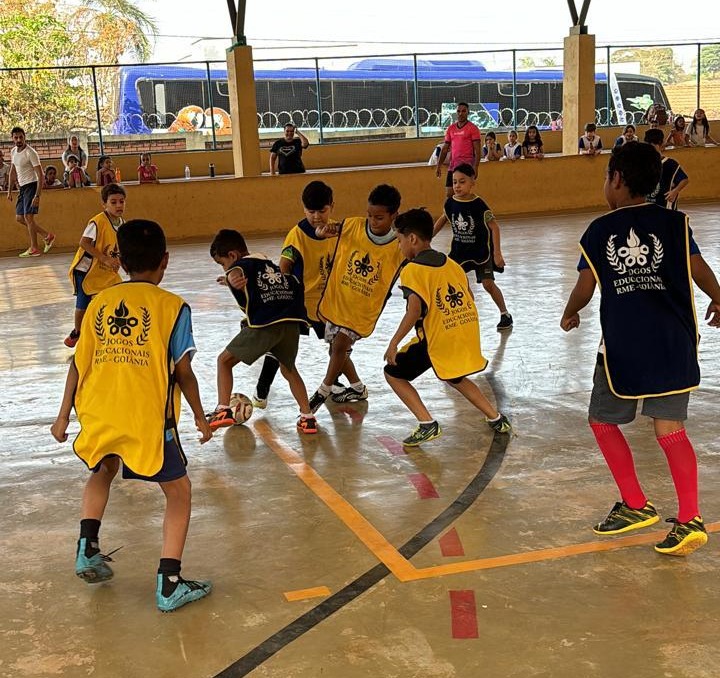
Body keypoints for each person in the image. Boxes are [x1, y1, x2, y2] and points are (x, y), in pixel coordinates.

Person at [560, 141, 720, 557]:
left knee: (601, 420)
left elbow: (585, 286)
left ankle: (635, 504)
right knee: (671, 430)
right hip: (673, 342)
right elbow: (698, 268)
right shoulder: (675, 223)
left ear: (616, 179)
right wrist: (719, 299)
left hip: (623, 348)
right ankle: (689, 519)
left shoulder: (598, 231)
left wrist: (569, 312)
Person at [50, 218, 213, 612]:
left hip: (101, 409)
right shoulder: (173, 307)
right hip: (146, 417)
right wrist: (200, 417)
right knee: (179, 492)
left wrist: (63, 416)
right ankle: (170, 583)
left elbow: (77, 363)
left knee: (102, 470)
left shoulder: (98, 303)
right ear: (166, 261)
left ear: (119, 260)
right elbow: (183, 372)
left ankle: (87, 548)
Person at [383, 208, 512, 446]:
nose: (399, 246)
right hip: (463, 332)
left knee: (393, 373)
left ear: (411, 238)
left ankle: (426, 423)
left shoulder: (412, 270)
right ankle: (495, 418)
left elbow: (414, 311)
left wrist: (393, 343)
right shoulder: (451, 264)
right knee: (455, 377)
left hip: (437, 339)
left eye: (399, 240)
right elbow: (469, 297)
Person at [251, 180, 358, 408]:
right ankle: (261, 392)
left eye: (322, 210)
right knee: (279, 346)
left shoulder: (339, 231)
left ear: (332, 206)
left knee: (335, 345)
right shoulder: (296, 235)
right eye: (311, 211)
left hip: (328, 304)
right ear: (303, 209)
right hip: (300, 303)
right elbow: (284, 266)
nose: (317, 216)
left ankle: (340, 384)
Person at [205, 229, 318, 434]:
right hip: (291, 322)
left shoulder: (238, 268)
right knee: (288, 369)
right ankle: (307, 417)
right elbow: (254, 280)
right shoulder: (264, 262)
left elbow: (237, 274)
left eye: (223, 264)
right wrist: (228, 280)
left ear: (233, 255)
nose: (225, 268)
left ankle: (222, 410)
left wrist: (231, 278)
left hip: (267, 324)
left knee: (224, 361)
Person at [310, 184, 406, 412]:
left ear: (394, 215)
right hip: (339, 300)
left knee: (341, 345)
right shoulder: (351, 226)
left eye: (380, 218)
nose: (373, 221)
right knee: (335, 349)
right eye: (370, 215)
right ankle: (357, 387)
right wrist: (320, 232)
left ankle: (323, 390)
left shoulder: (399, 244)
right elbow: (322, 230)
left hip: (362, 309)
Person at [433, 163, 512, 330]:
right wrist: (428, 237)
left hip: (481, 253)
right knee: (457, 282)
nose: (457, 186)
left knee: (488, 284)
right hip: (459, 253)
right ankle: (470, 313)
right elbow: (442, 220)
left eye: (462, 182)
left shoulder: (478, 204)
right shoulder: (450, 203)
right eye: (454, 182)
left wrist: (497, 254)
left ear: (472, 182)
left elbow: (494, 227)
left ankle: (505, 314)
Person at [64, 183, 126, 348]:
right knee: (83, 304)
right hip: (86, 270)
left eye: (121, 201)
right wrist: (105, 259)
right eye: (113, 202)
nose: (118, 205)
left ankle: (109, 331)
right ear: (104, 204)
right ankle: (77, 332)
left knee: (118, 296)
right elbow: (84, 243)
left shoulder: (122, 223)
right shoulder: (97, 222)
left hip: (105, 270)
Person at [6, 126, 55, 258]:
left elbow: (41, 175)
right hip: (22, 188)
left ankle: (34, 248)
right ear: (12, 139)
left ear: (25, 137)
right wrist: (9, 190)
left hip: (32, 186)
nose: (18, 140)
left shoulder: (30, 152)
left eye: (21, 137)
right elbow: (12, 171)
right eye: (16, 137)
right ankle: (47, 235)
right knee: (19, 218)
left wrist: (37, 195)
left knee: (28, 218)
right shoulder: (13, 152)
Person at [435, 102, 482, 198]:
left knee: (462, 194)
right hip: (453, 166)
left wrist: (476, 166)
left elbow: (477, 150)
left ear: (468, 113)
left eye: (464, 111)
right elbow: (445, 149)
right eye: (458, 111)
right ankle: (450, 213)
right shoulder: (451, 129)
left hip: (466, 166)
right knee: (449, 193)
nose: (461, 113)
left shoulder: (473, 128)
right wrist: (439, 165)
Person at [645, 128, 689, 210]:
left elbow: (684, 179)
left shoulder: (670, 164)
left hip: (666, 206)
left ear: (660, 144)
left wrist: (675, 191)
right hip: (648, 205)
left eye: (653, 146)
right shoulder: (644, 163)